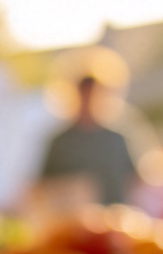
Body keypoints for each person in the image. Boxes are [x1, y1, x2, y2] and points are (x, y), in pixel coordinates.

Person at [34, 73, 142, 207]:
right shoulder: (61, 142)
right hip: (72, 221)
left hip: (114, 219)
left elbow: (136, 181)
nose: (89, 101)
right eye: (85, 95)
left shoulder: (117, 140)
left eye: (94, 95)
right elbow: (42, 186)